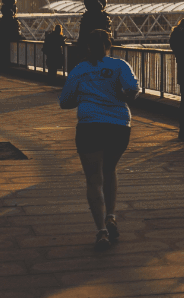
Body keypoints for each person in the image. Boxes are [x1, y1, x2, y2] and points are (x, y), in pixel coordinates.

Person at [58, 29, 138, 251]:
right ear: (108, 45)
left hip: (90, 125)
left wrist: (85, 98)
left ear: (87, 47)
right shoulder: (120, 65)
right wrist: (119, 96)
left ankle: (101, 231)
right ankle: (111, 216)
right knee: (110, 169)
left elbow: (64, 101)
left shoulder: (80, 70)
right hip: (119, 125)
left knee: (93, 178)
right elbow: (132, 88)